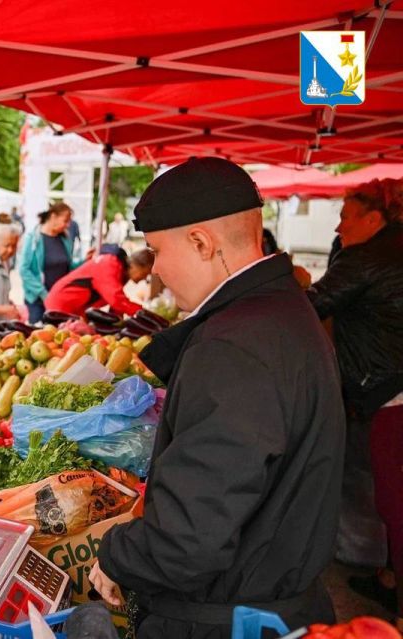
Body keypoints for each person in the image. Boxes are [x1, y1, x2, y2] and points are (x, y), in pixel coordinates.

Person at [89, 157, 344, 638]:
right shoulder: (283, 311)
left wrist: (116, 552)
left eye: (157, 251)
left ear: (201, 243)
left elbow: (186, 542)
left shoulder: (234, 345)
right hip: (272, 601)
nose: (158, 271)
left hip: (227, 621)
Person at [306, 178, 403, 628]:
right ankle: (388, 577)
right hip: (389, 385)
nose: (339, 226)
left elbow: (311, 303)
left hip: (390, 392)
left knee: (394, 499)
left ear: (373, 218)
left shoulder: (366, 258)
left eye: (346, 216)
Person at [44, 247, 153, 317]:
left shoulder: (120, 272)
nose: (144, 278)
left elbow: (116, 306)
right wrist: (141, 312)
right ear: (135, 265)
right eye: (145, 273)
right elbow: (116, 299)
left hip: (76, 310)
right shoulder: (110, 264)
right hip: (61, 306)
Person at [18, 202, 80, 323]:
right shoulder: (33, 239)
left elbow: (69, 267)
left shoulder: (65, 240)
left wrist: (84, 262)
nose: (67, 225)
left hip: (59, 299)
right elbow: (24, 270)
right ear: (53, 217)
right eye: (65, 221)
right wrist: (43, 294)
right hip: (38, 301)